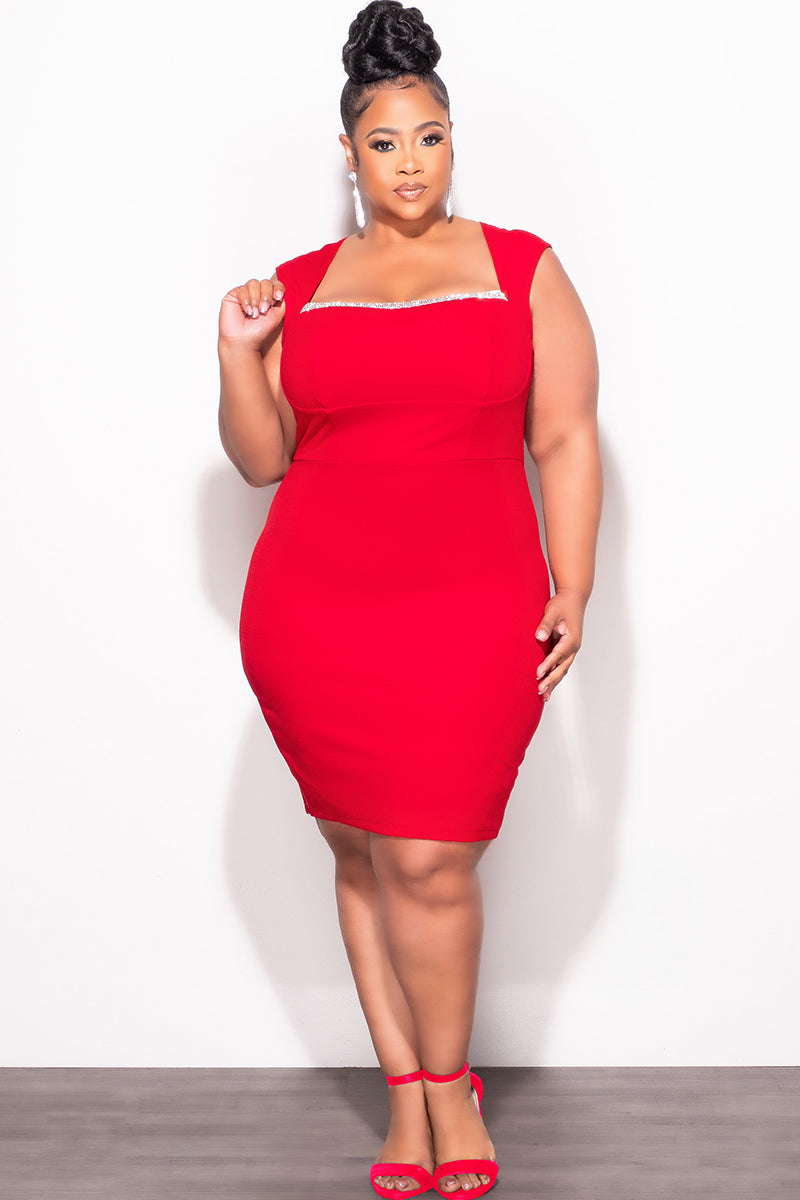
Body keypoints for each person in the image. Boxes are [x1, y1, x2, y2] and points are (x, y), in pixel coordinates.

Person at [217, 2, 602, 1194]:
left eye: (427, 138)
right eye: (383, 143)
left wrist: (573, 582)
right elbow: (262, 461)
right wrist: (236, 355)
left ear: (451, 139)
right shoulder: (301, 285)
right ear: (349, 152)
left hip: (473, 608)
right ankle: (408, 1098)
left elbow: (564, 437)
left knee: (430, 859)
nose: (408, 164)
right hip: (315, 611)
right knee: (361, 850)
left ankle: (451, 1086)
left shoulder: (521, 268)